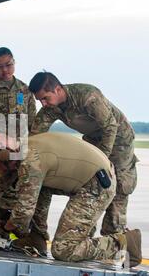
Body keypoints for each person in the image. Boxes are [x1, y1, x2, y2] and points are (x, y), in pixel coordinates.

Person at [0, 132, 142, 267]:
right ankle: (37, 238)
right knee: (38, 190)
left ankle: (123, 243)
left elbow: (23, 213)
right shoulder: (17, 154)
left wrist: (3, 230)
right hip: (89, 179)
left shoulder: (31, 161)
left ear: (4, 155)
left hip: (96, 185)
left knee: (64, 250)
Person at [29, 72, 138, 236]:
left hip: (119, 141)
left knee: (118, 187)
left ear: (57, 89)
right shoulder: (50, 108)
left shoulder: (88, 96)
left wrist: (102, 159)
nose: (43, 104)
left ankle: (116, 239)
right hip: (94, 139)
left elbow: (110, 127)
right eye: (40, 100)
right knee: (88, 182)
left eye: (45, 98)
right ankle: (84, 234)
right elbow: (35, 136)